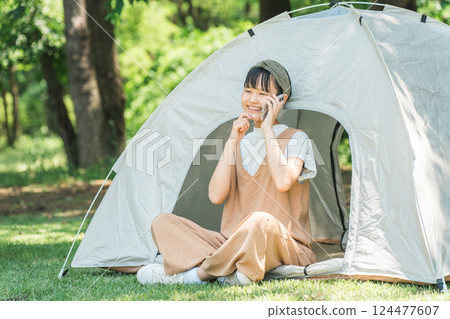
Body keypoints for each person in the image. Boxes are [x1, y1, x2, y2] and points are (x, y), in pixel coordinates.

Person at [136, 60, 317, 285]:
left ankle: (197, 275)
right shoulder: (241, 142)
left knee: (259, 221)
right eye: (248, 91)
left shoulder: (297, 138)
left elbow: (282, 181)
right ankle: (233, 268)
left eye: (262, 93)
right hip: (231, 242)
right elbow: (216, 196)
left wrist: (268, 128)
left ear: (280, 100)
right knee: (162, 222)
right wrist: (233, 141)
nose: (252, 99)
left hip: (284, 246)